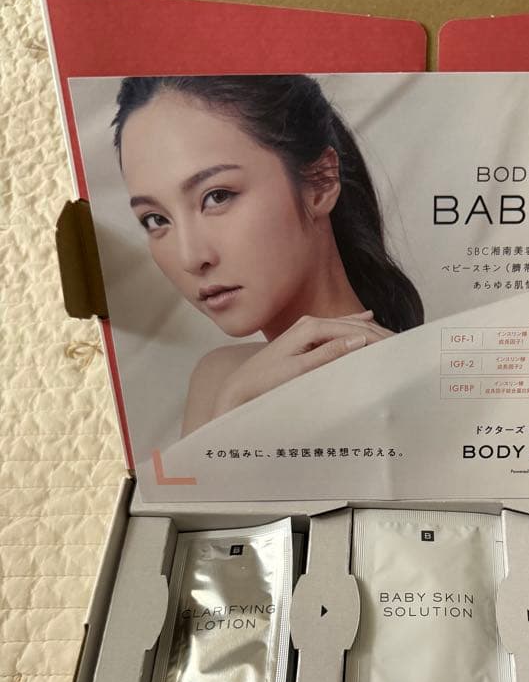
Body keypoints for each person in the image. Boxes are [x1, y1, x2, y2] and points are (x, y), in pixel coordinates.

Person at [112, 75, 424, 435]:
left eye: (217, 196)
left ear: (321, 181)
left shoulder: (409, 383)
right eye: (155, 219)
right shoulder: (220, 379)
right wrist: (233, 406)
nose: (191, 257)